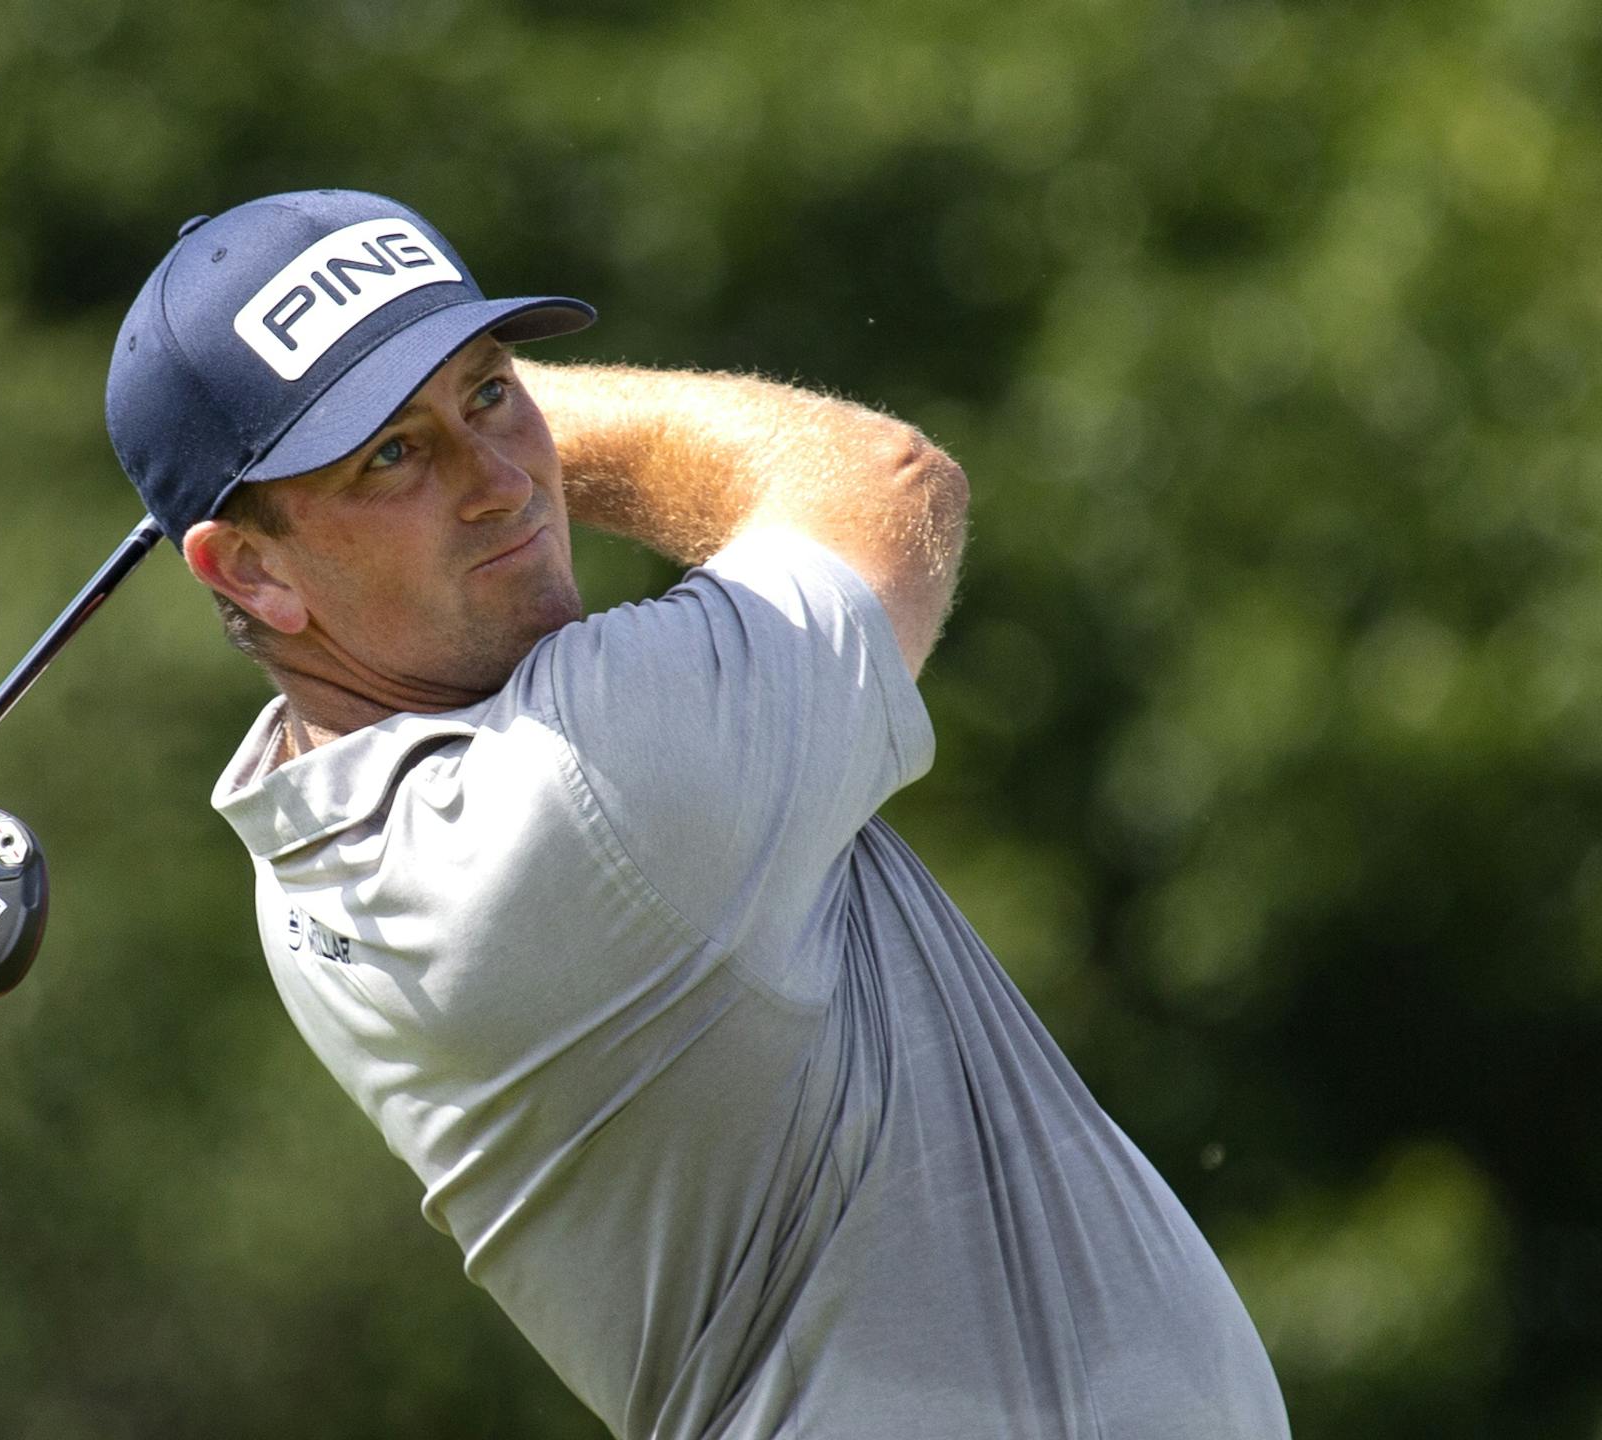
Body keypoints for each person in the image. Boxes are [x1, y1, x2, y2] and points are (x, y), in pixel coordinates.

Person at [106, 188, 1290, 1439]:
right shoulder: (573, 789)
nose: (503, 485)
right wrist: (466, 380)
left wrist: (389, 395)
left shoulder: (306, 822)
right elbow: (886, 483)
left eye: (496, 393)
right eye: (393, 455)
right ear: (248, 569)